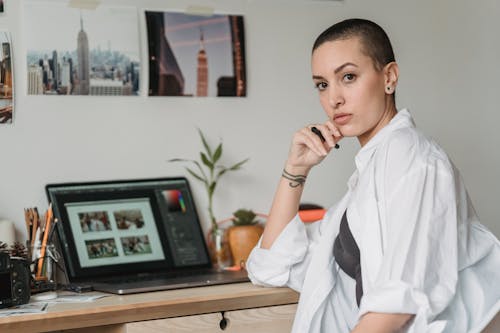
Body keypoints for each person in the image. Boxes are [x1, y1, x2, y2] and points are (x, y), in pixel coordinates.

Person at [246, 18, 500, 333]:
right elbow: (270, 267)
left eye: (348, 77)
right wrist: (296, 169)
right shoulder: (364, 182)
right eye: (322, 84)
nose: (333, 98)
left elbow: (395, 307)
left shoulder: (413, 158)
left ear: (389, 77)